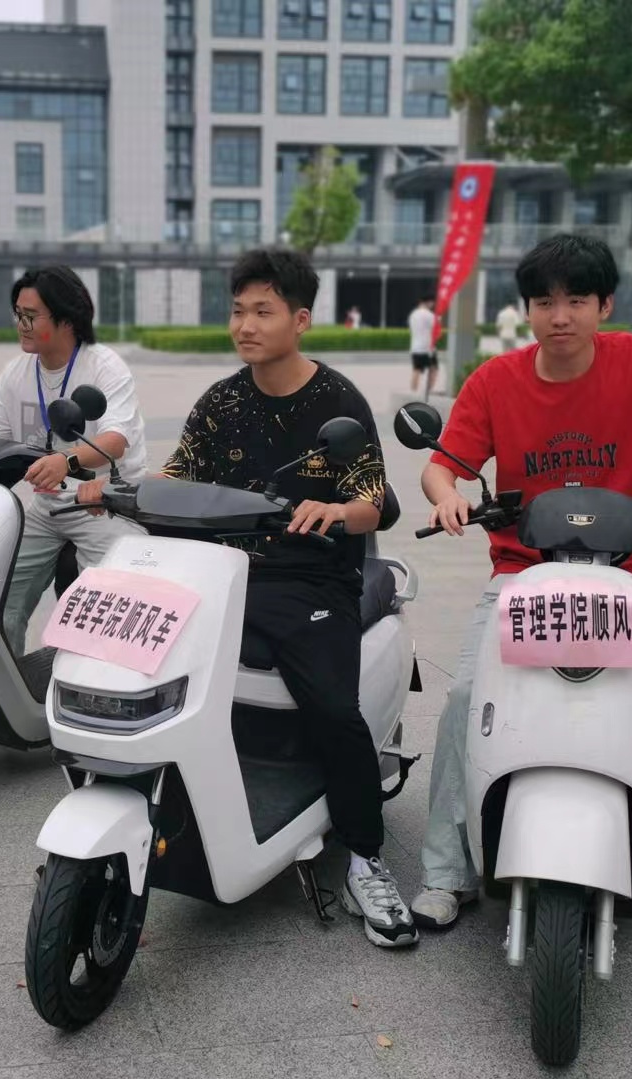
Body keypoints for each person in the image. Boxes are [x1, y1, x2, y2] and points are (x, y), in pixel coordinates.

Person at [411, 233, 632, 950]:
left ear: (604, 305)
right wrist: (447, 495)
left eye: (577, 299)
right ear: (528, 310)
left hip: (629, 576)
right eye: (544, 301)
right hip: (522, 575)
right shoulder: (495, 381)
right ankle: (448, 870)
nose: (560, 316)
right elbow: (442, 464)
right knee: (462, 701)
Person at [79, 249, 417, 950]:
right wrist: (121, 492)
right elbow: (180, 472)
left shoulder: (339, 404)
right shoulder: (222, 401)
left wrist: (336, 513)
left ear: (301, 319)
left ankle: (365, 855)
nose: (245, 325)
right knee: (139, 662)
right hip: (220, 570)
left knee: (333, 709)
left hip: (310, 578)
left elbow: (373, 501)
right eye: (238, 311)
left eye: (263, 311)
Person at [0, 266, 147, 656]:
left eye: (31, 316)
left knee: (110, 608)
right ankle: (0, 685)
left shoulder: (104, 366)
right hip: (46, 508)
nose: (21, 324)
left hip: (104, 504)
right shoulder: (17, 373)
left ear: (67, 319)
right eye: (18, 314)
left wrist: (65, 461)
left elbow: (115, 440)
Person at [408, 297, 438, 399]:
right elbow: (436, 328)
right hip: (427, 348)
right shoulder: (429, 315)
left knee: (416, 370)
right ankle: (429, 390)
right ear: (429, 302)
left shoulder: (413, 314)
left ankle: (413, 391)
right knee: (433, 369)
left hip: (415, 347)